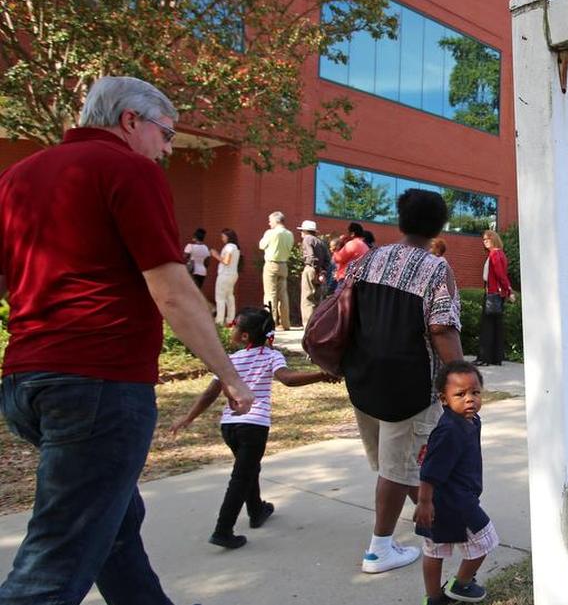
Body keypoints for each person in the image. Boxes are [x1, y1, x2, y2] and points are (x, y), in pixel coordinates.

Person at [0, 75, 253, 605]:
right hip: (99, 384)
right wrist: (230, 375)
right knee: (54, 563)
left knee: (114, 528)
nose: (166, 149)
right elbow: (172, 291)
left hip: (26, 382)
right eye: (166, 134)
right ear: (129, 121)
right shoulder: (129, 169)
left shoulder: (17, 176)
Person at [342, 188, 463, 574]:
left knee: (398, 464)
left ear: (400, 220)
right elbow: (442, 328)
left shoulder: (368, 260)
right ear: (440, 226)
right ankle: (379, 550)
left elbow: (346, 314)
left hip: (362, 380)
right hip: (408, 387)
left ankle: (438, 519)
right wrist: (460, 379)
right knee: (397, 470)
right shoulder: (435, 268)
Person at [171, 306, 337, 549]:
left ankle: (257, 509)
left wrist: (189, 417)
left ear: (245, 336)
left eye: (235, 326)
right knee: (242, 475)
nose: (232, 329)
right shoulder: (271, 356)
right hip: (254, 427)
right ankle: (223, 530)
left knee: (248, 468)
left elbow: (210, 393)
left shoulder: (231, 360)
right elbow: (288, 379)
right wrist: (322, 375)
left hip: (229, 426)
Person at [414, 361, 498, 605]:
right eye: (460, 394)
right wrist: (424, 503)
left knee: (435, 549)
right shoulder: (449, 430)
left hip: (457, 497)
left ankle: (434, 599)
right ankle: (460, 585)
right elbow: (429, 470)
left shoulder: (472, 421)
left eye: (475, 392)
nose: (469, 399)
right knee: (486, 540)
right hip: (452, 501)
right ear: (443, 399)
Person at [475, 230, 513, 367]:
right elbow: (502, 275)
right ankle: (495, 358)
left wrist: (508, 290)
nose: (485, 241)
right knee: (496, 325)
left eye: (487, 239)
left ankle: (484, 358)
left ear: (494, 239)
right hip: (498, 294)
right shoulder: (499, 253)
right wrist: (508, 291)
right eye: (484, 239)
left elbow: (500, 274)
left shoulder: (494, 254)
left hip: (492, 294)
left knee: (487, 326)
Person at [258, 211, 294, 330]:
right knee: (283, 295)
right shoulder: (290, 234)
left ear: (276, 220)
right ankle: (285, 323)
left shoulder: (270, 233)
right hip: (284, 264)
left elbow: (261, 245)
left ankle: (270, 323)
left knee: (270, 294)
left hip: (271, 264)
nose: (269, 223)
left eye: (270, 220)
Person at [297, 220, 331, 328]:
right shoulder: (321, 242)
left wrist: (315, 270)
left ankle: (308, 326)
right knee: (316, 299)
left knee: (307, 299)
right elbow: (327, 259)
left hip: (310, 269)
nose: (301, 233)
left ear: (305, 231)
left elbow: (311, 257)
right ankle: (316, 325)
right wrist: (322, 272)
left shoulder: (307, 239)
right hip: (319, 271)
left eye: (302, 230)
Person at [211, 228, 241, 326]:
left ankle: (219, 320)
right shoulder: (236, 247)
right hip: (233, 274)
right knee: (229, 297)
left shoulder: (229, 247)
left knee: (220, 298)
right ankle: (230, 320)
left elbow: (226, 261)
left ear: (228, 237)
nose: (222, 239)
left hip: (225, 275)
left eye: (223, 236)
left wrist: (216, 255)